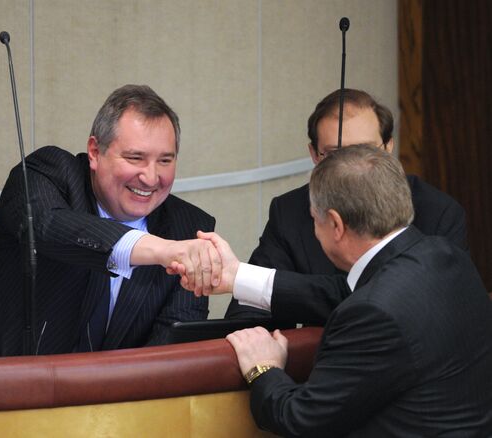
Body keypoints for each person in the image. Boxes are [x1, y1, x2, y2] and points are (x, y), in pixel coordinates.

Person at [199, 145, 492, 436]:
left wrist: (263, 368)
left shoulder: (371, 312)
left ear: (336, 224)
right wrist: (236, 276)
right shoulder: (445, 255)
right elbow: (347, 291)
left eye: (315, 218)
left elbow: (300, 420)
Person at [0, 84, 221, 358]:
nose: (150, 177)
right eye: (135, 158)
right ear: (95, 152)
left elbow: (171, 350)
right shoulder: (48, 173)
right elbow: (47, 227)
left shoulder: (188, 229)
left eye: (165, 161)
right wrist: (162, 250)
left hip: (99, 397)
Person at [226, 89, 467, 323]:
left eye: (366, 151)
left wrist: (242, 277)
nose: (351, 169)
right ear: (314, 155)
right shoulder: (289, 211)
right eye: (335, 155)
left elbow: (405, 303)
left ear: (389, 147)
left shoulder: (438, 211)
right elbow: (247, 314)